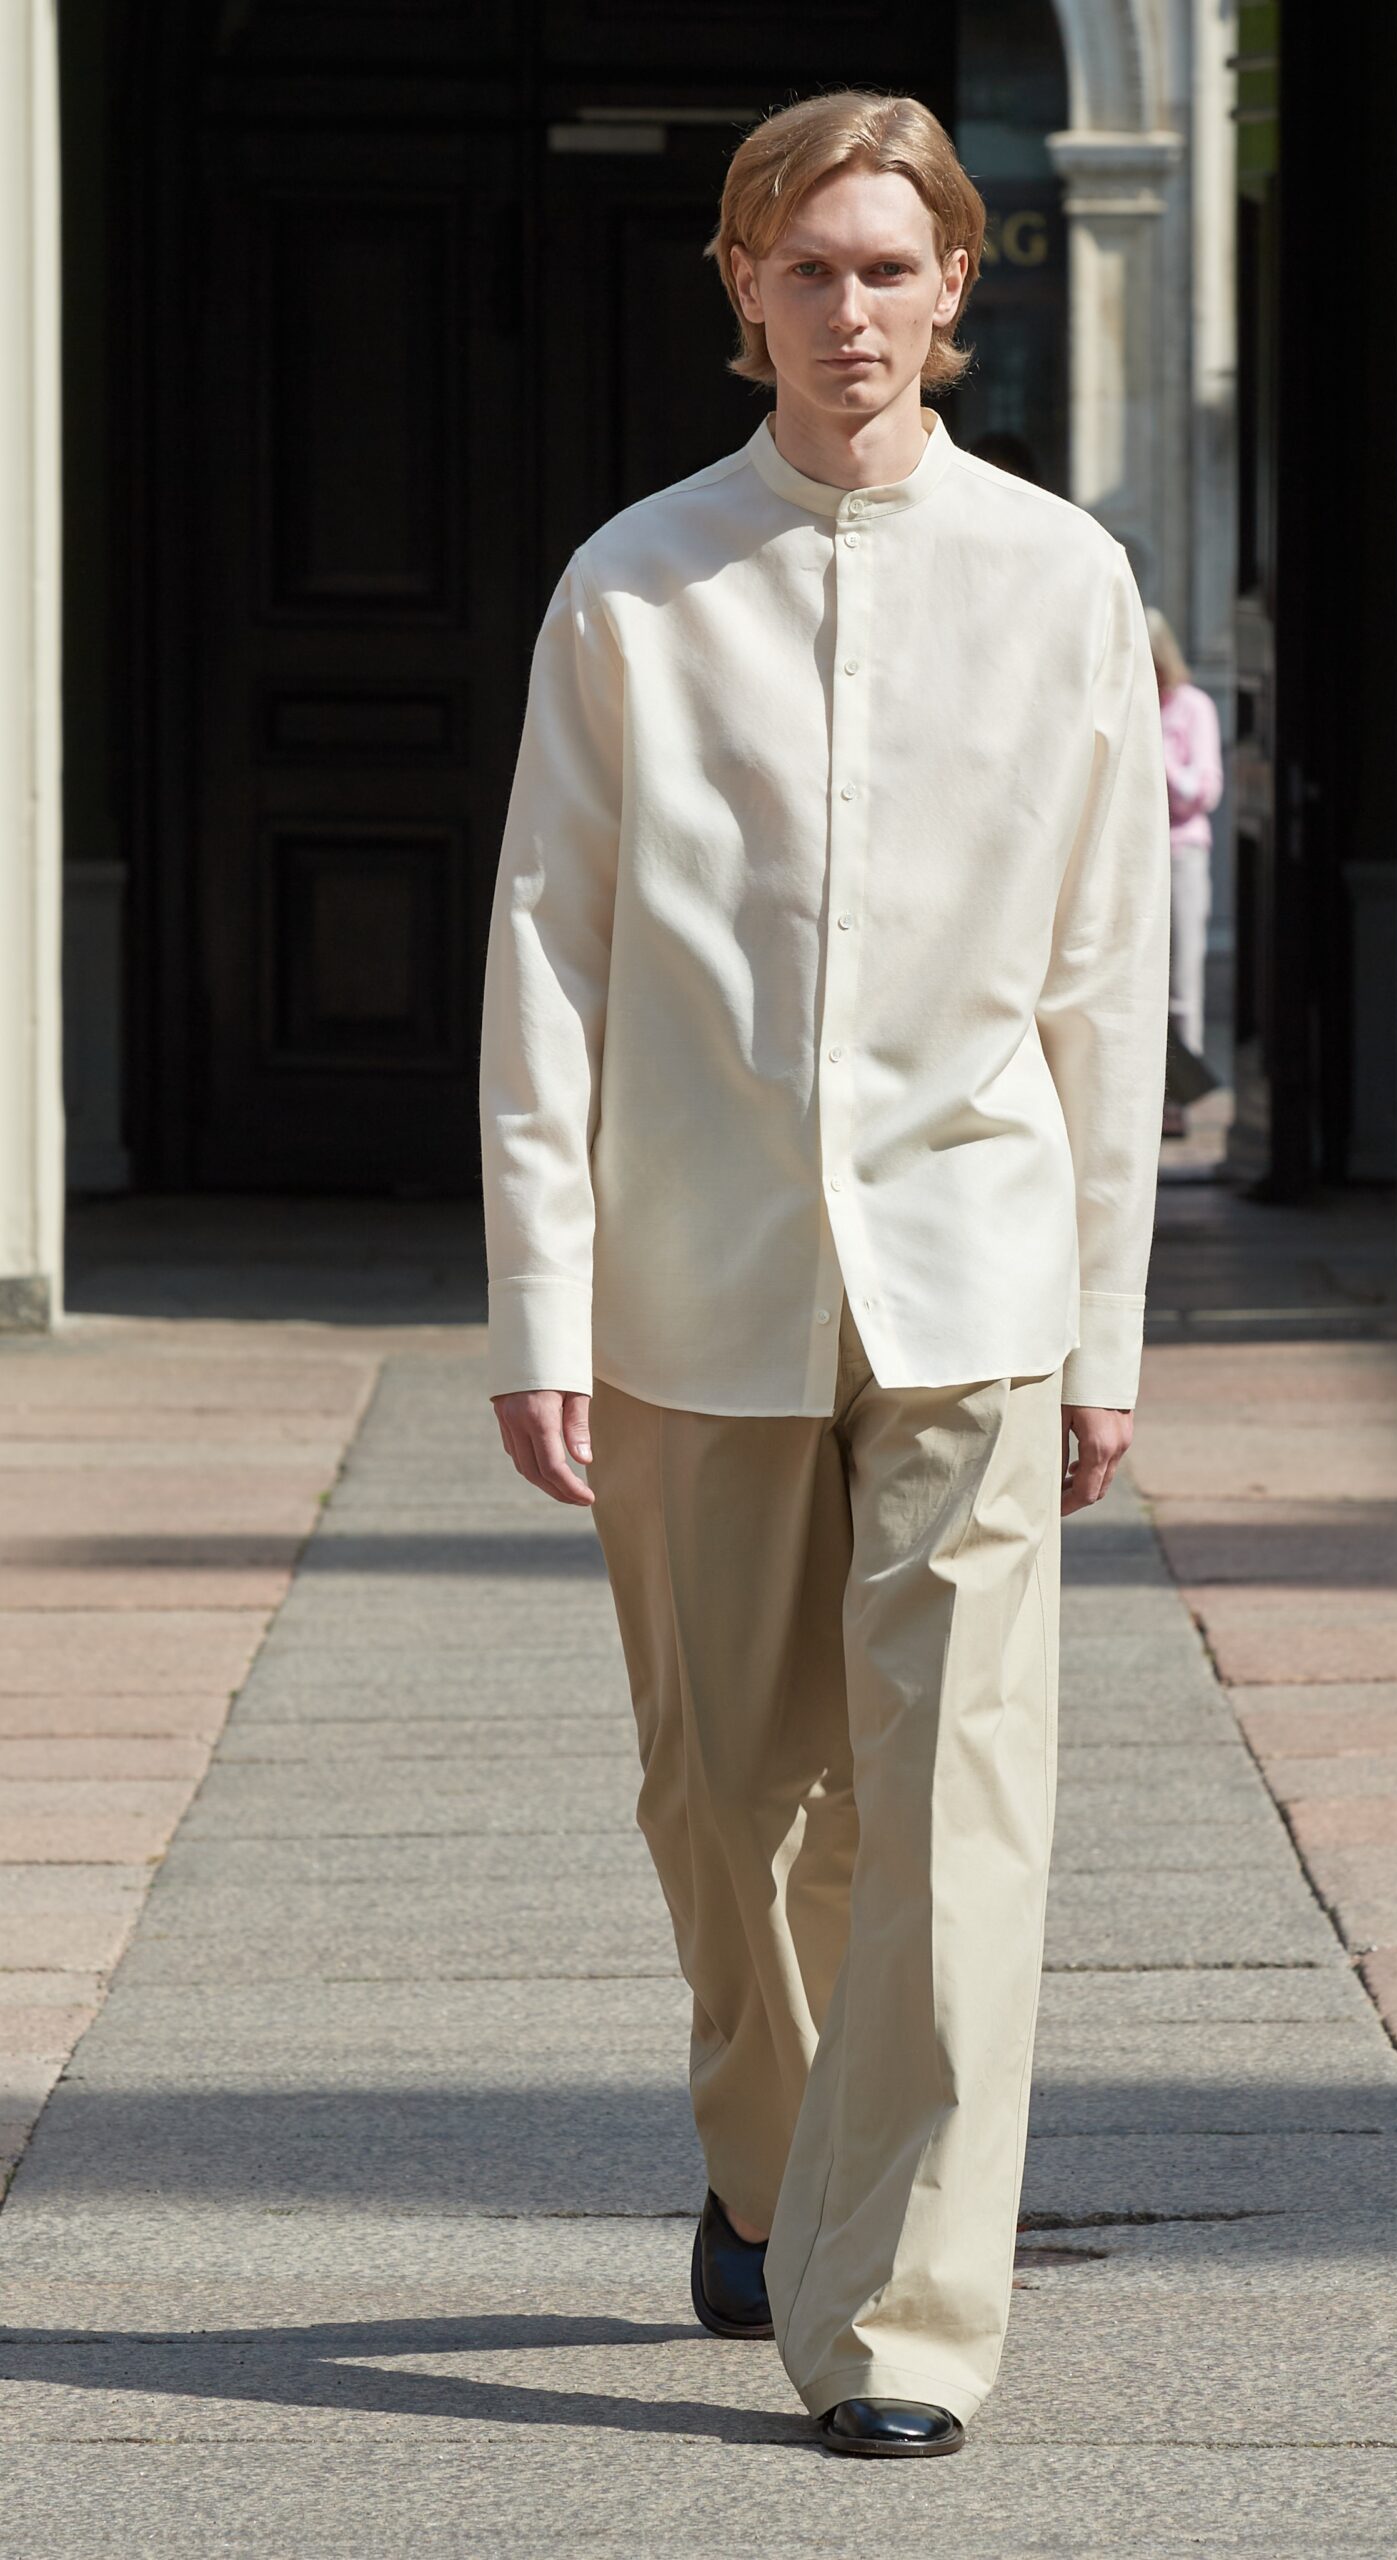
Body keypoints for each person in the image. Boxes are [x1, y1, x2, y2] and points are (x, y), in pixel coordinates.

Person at [480, 89, 1169, 2460]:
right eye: (806, 267)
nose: (847, 311)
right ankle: (767, 2158)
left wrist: (1104, 1326)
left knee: (957, 1800)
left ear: (956, 291)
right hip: (693, 1283)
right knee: (728, 1799)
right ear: (740, 288)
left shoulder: (1061, 582)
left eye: (889, 267)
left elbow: (1103, 974)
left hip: (972, 1275)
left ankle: (897, 2314)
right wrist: (535, 1298)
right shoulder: (630, 587)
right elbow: (548, 959)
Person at [1146, 607, 1223, 1133]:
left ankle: (1180, 1100)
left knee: (1180, 984)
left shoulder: (1193, 708)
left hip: (1179, 856)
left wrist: (1157, 755)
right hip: (1129, 856)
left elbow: (1203, 792)